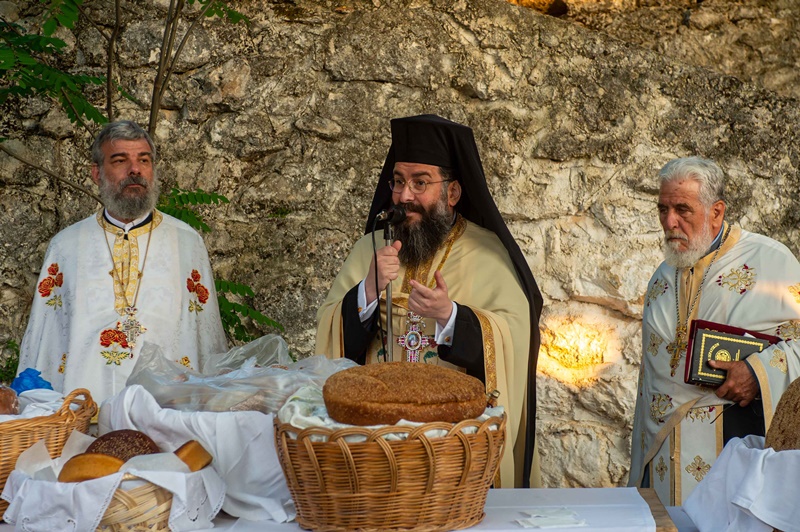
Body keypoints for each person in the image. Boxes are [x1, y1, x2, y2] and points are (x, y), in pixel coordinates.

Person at [316, 114, 544, 488]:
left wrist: (450, 317)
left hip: (453, 444)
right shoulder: (369, 248)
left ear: (452, 193)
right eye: (399, 181)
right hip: (376, 440)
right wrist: (368, 290)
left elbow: (515, 335)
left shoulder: (488, 254)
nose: (405, 196)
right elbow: (329, 333)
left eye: (420, 183)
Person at [629, 156, 800, 505]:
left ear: (717, 212)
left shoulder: (770, 261)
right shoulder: (663, 276)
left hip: (734, 446)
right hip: (664, 455)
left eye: (682, 209)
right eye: (662, 209)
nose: (669, 221)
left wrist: (758, 371)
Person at [18, 120, 227, 404]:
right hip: (84, 407)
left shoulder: (186, 241)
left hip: (166, 408)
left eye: (144, 160)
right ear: (96, 172)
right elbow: (44, 339)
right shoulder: (65, 246)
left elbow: (206, 336)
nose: (135, 170)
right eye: (120, 160)